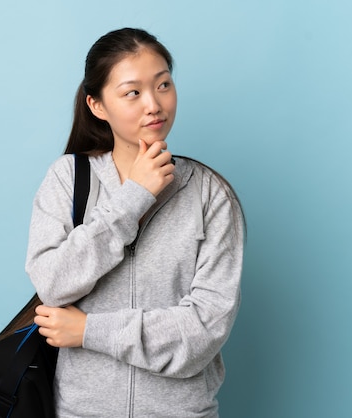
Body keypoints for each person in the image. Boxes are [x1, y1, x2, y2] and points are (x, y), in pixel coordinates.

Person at [25, 27, 245, 418]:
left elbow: (203, 331)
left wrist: (88, 331)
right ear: (97, 105)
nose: (154, 105)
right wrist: (133, 198)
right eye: (133, 92)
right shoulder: (67, 179)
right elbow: (52, 284)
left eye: (163, 85)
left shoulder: (209, 193)